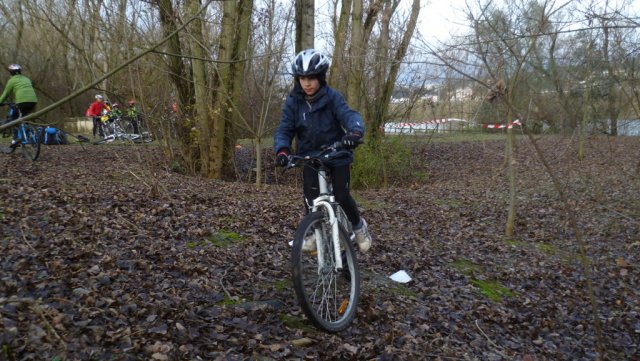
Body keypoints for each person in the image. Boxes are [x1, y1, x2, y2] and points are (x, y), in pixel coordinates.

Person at [273, 48, 372, 252]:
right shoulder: (294, 102)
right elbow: (285, 128)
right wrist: (282, 150)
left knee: (342, 195)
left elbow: (349, 115)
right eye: (302, 78)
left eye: (311, 78)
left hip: (336, 152)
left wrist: (354, 132)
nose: (307, 83)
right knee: (310, 198)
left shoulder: (332, 97)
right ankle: (316, 233)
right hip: (309, 155)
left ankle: (359, 227)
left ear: (320, 77)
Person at [0, 64, 38, 146]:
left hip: (22, 101)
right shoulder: (27, 79)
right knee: (25, 118)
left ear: (11, 73)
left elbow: (5, 94)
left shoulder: (12, 80)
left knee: (14, 119)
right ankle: (30, 134)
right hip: (33, 100)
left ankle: (15, 139)